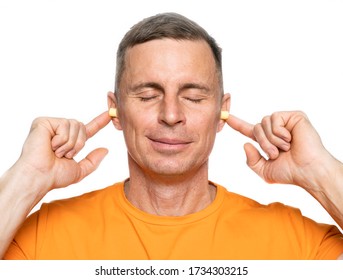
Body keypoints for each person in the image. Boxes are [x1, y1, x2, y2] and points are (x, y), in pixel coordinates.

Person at [1, 12, 343, 260]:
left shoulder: (297, 244)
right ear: (115, 110)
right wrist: (26, 179)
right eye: (148, 95)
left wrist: (319, 171)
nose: (171, 115)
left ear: (221, 112)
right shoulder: (42, 238)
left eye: (193, 97)